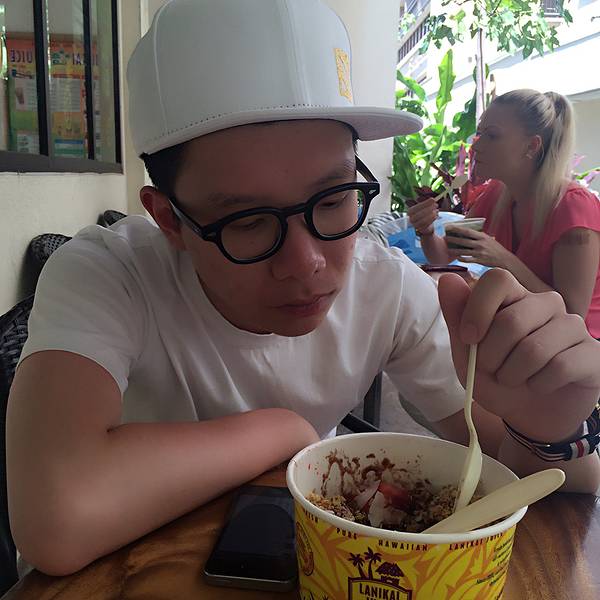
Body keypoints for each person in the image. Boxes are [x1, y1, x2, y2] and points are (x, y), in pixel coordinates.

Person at [6, 0, 600, 578]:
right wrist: (286, 430)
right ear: (169, 218)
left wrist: (550, 427)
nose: (306, 262)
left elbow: (530, 473)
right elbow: (56, 519)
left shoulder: (387, 287)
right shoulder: (108, 274)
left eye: (334, 198)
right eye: (246, 220)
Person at [407, 89, 600, 338]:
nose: (477, 146)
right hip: (528, 331)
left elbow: (573, 315)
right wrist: (426, 231)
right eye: (479, 134)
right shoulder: (497, 194)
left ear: (532, 146)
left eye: (492, 136)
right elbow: (443, 255)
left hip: (581, 345)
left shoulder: (573, 207)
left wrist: (503, 259)